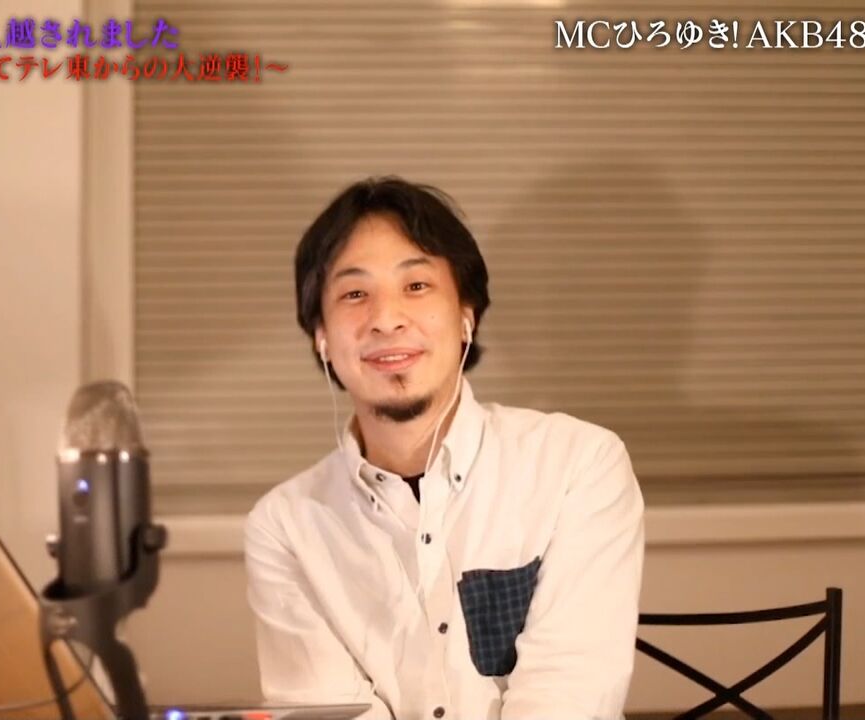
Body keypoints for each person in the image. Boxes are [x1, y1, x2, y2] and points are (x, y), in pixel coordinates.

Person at [243, 176, 645, 719]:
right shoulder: (286, 526)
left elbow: (567, 698)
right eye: (355, 294)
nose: (386, 319)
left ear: (465, 316)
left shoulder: (577, 465)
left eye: (416, 285)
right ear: (321, 337)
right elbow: (325, 709)